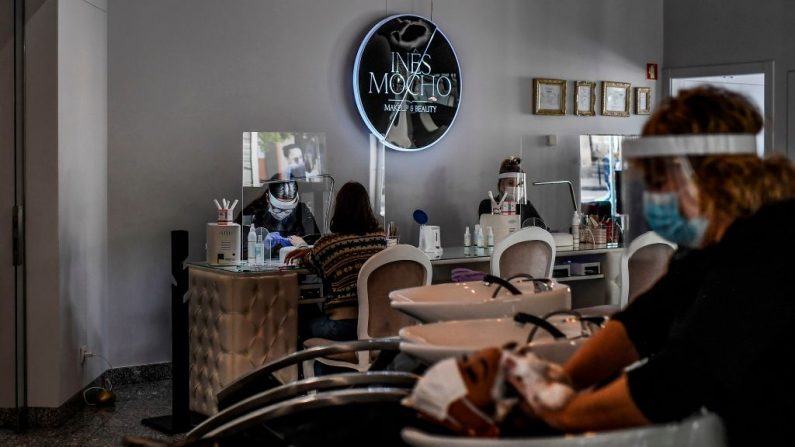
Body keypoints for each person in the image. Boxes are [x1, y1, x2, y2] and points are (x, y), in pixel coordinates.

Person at [533, 87, 795, 445]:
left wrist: (558, 415)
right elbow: (643, 323)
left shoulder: (771, 246)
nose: (653, 197)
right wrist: (564, 381)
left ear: (705, 177)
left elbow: (681, 377)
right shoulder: (710, 248)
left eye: (659, 183)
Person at [285, 181, 386, 342]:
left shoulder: (329, 244)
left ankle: (317, 366)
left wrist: (303, 247)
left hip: (342, 327)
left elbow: (310, 261)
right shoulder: (380, 239)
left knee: (300, 319)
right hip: (375, 325)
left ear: (339, 208)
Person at [239, 178, 319, 249]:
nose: (282, 214)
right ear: (267, 198)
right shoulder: (252, 212)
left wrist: (302, 244)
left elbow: (316, 242)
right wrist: (260, 242)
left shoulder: (302, 211)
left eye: (288, 210)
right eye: (277, 210)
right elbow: (239, 244)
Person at [478, 156, 543, 226]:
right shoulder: (487, 205)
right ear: (501, 186)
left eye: (519, 184)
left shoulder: (525, 206)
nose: (516, 188)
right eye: (511, 183)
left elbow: (541, 227)